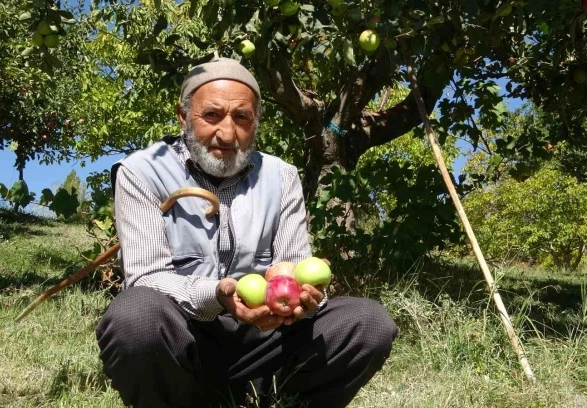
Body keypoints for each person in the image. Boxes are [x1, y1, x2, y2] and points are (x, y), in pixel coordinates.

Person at [95, 57, 398, 408]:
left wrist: (306, 299)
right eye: (211, 115)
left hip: (265, 338)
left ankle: (282, 399)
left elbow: (294, 265)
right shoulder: (142, 173)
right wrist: (219, 295)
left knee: (368, 324)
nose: (227, 133)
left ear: (256, 123)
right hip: (187, 339)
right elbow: (146, 278)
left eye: (241, 117)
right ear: (183, 117)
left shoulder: (281, 177)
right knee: (135, 316)